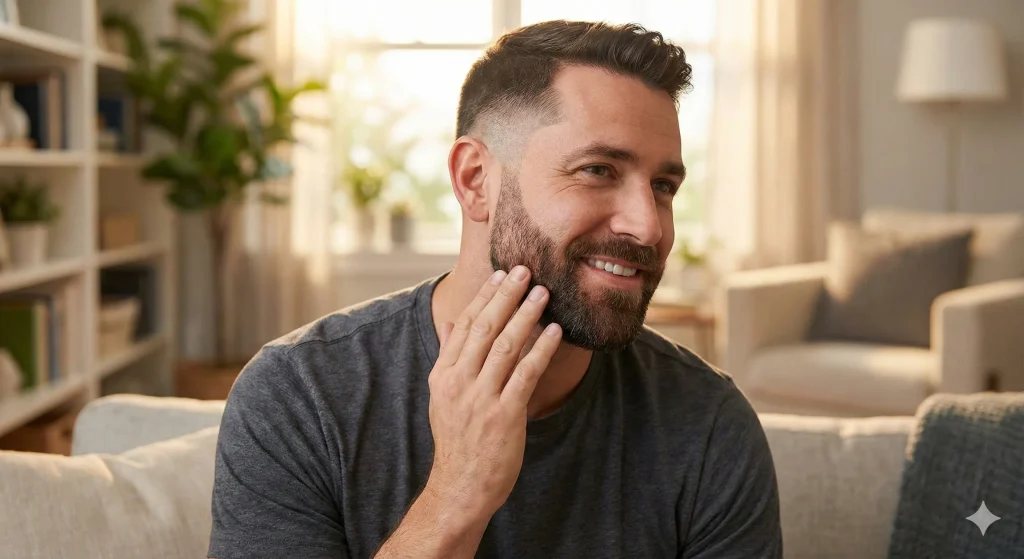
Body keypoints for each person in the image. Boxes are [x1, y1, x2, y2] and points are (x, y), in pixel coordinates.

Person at [208, 20, 782, 559]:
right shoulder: (298, 396)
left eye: (662, 185)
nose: (649, 226)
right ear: (475, 180)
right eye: (599, 170)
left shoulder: (708, 424)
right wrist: (455, 494)